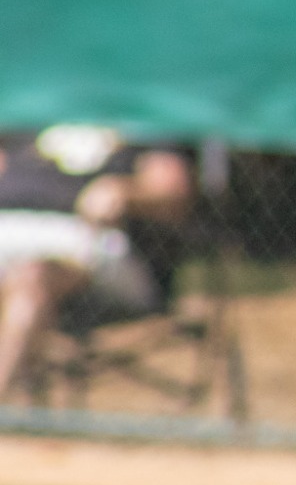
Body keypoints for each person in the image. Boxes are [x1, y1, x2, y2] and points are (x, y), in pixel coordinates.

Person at [0, 125, 194, 395]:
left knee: (33, 275)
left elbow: (172, 189)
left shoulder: (146, 115)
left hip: (91, 240)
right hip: (9, 229)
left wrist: (125, 191)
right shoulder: (36, 107)